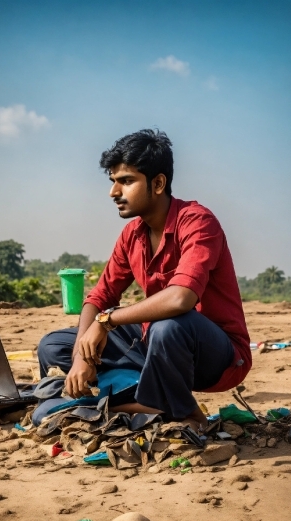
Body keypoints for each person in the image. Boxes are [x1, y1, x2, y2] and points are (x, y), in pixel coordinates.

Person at [38, 129, 251, 431]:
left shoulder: (197, 221)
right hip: (153, 345)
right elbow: (98, 297)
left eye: (126, 181)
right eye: (112, 181)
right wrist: (80, 358)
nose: (114, 192)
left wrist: (107, 321)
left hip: (215, 354)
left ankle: (182, 412)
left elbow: (181, 298)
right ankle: (141, 400)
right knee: (54, 345)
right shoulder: (132, 235)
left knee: (170, 326)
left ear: (159, 183)